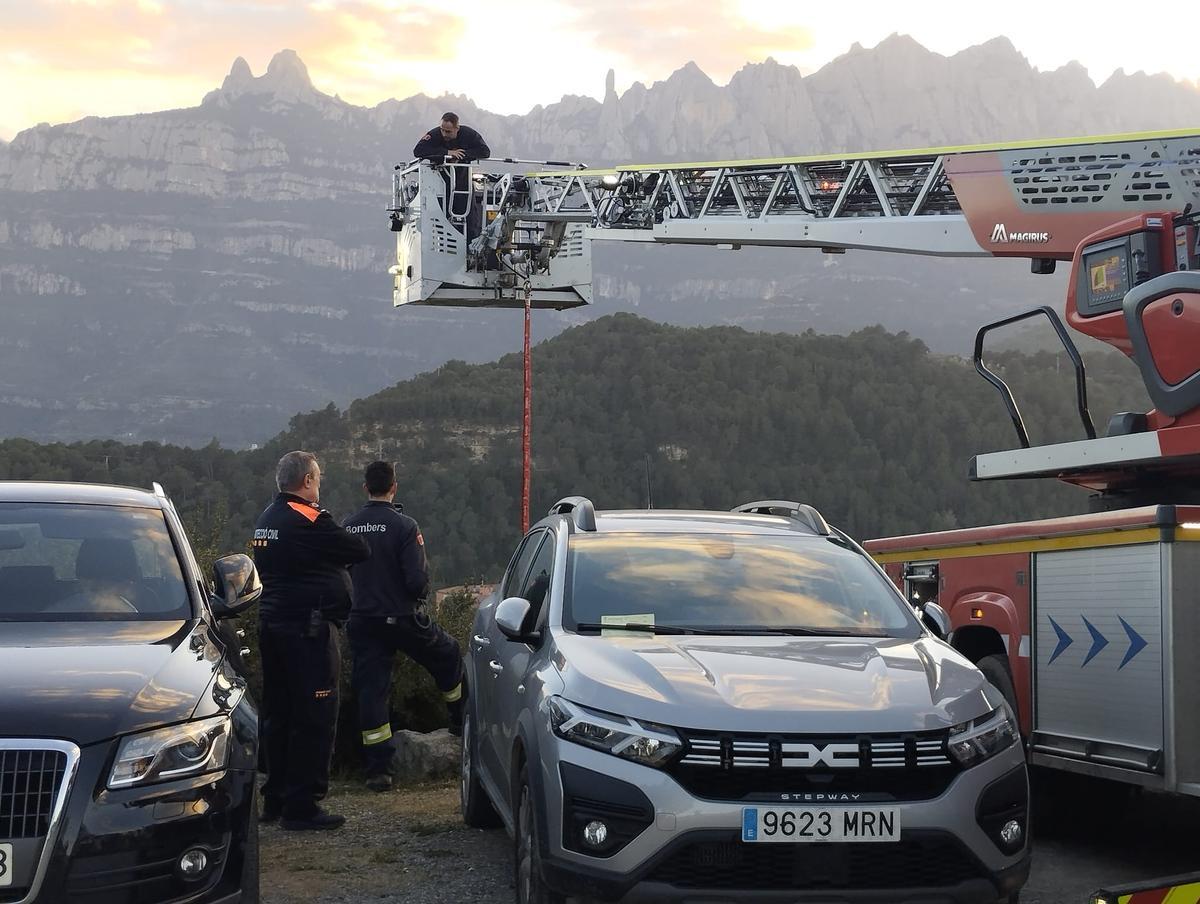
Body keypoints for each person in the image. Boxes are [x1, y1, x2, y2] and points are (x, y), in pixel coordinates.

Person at [253, 451, 370, 831]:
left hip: (272, 626)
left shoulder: (266, 519)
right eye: (317, 479)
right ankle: (303, 804)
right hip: (308, 631)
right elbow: (359, 549)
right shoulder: (308, 517)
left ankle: (275, 798)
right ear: (306, 481)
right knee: (316, 715)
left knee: (279, 714)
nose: (318, 486)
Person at [343, 460, 466, 792]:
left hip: (363, 621)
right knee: (448, 653)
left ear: (365, 487)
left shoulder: (348, 525)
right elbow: (416, 581)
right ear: (394, 487)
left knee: (372, 691)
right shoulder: (405, 526)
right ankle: (460, 720)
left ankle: (378, 771)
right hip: (402, 618)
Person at [413, 112, 490, 239]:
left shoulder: (468, 134)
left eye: (448, 131)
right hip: (439, 184)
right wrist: (447, 153)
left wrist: (463, 155)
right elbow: (418, 151)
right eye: (442, 130)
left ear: (457, 128)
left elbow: (485, 151)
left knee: (470, 220)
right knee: (441, 218)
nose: (444, 134)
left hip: (463, 182)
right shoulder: (435, 134)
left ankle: (470, 250)